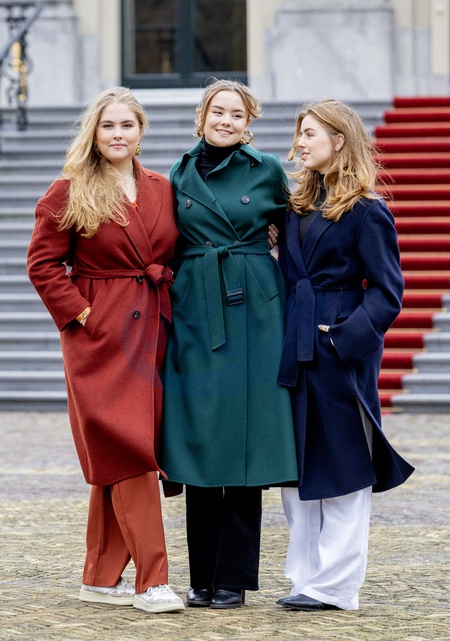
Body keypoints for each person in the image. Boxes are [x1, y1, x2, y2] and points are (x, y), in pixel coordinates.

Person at [27, 86, 185, 614]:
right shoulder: (69, 189)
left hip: (153, 329)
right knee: (131, 448)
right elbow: (42, 263)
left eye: (127, 125)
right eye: (108, 125)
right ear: (93, 133)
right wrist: (82, 315)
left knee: (121, 451)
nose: (118, 134)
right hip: (99, 336)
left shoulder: (162, 187)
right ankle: (152, 581)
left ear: (141, 132)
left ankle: (99, 576)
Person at [159, 78, 298, 609]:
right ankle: (201, 575)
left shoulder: (268, 169)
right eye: (218, 112)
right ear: (202, 117)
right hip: (196, 304)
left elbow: (295, 235)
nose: (226, 121)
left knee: (245, 441)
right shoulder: (178, 174)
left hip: (255, 310)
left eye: (237, 114)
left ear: (248, 123)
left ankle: (233, 579)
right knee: (203, 437)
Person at [275, 98, 415, 612]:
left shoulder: (368, 211)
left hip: (340, 350)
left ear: (339, 141)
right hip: (295, 346)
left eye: (310, 133)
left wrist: (343, 340)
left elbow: (388, 292)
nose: (300, 142)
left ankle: (335, 587)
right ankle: (304, 579)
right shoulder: (295, 207)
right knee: (298, 471)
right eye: (300, 132)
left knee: (345, 465)